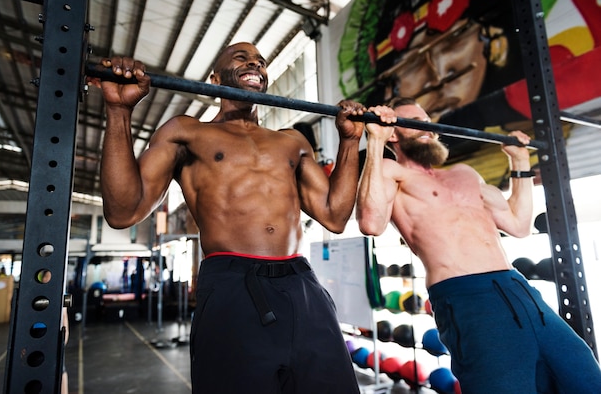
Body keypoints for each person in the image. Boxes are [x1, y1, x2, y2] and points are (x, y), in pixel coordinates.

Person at [87, 42, 365, 393]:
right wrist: (119, 111)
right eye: (242, 58)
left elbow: (335, 216)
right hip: (233, 287)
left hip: (302, 285)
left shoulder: (292, 141)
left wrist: (350, 142)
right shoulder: (186, 132)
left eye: (261, 62)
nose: (255, 64)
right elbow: (123, 210)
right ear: (214, 78)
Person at [356, 97, 601, 393]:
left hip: (519, 289)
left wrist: (519, 161)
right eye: (416, 123)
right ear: (394, 132)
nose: (429, 129)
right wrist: (374, 141)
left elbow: (519, 225)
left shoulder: (465, 174)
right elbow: (371, 223)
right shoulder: (391, 173)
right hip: (466, 297)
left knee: (585, 378)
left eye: (429, 122)